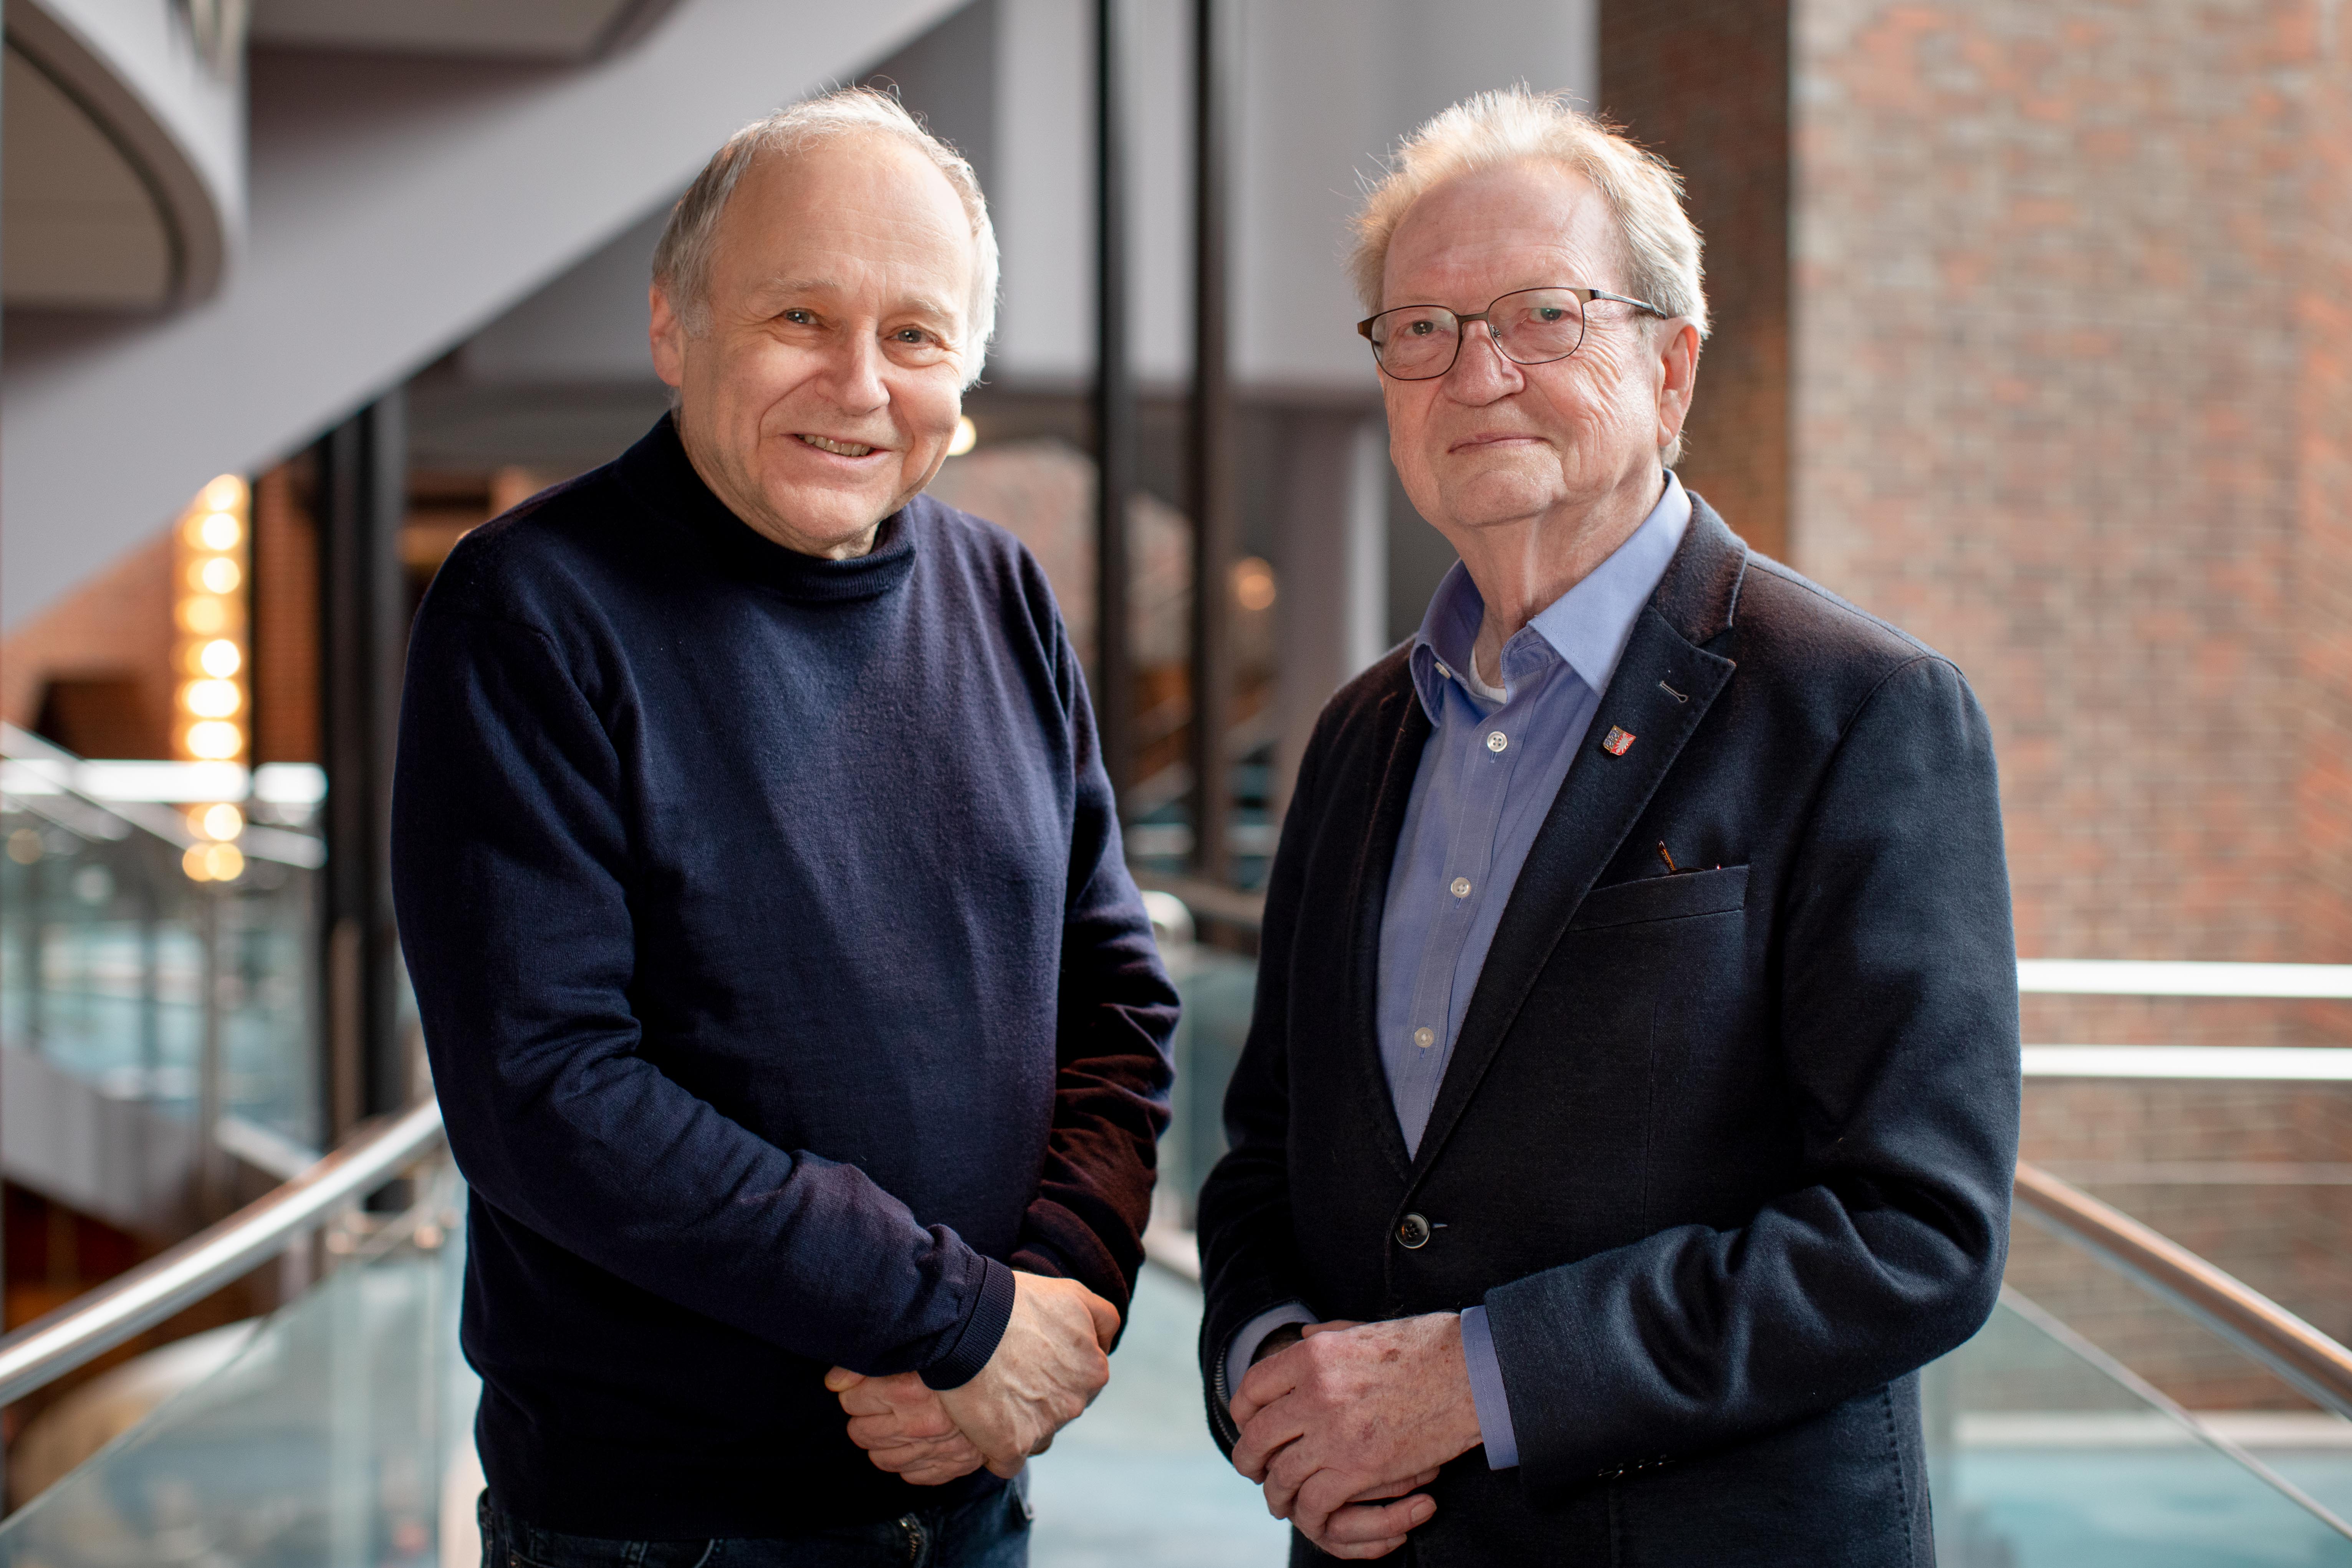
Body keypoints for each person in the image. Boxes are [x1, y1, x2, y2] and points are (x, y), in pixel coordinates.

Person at [1197, 87, 2020, 1563]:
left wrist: (1479, 1379)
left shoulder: (1860, 710)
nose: (1477, 373)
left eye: (1545, 316)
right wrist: (1271, 1371)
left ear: (1671, 365)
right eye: (1422, 328)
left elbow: (1917, 1230)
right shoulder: (1360, 734)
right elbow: (1270, 1152)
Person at [392, 88, 1176, 1567]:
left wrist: (1054, 1297)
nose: (859, 383)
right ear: (675, 325)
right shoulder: (530, 609)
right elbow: (548, 1095)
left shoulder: (1003, 592)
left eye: (916, 334)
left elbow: (1117, 997)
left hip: (971, 1494)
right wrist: (957, 1317)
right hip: (665, 1533)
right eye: (800, 316)